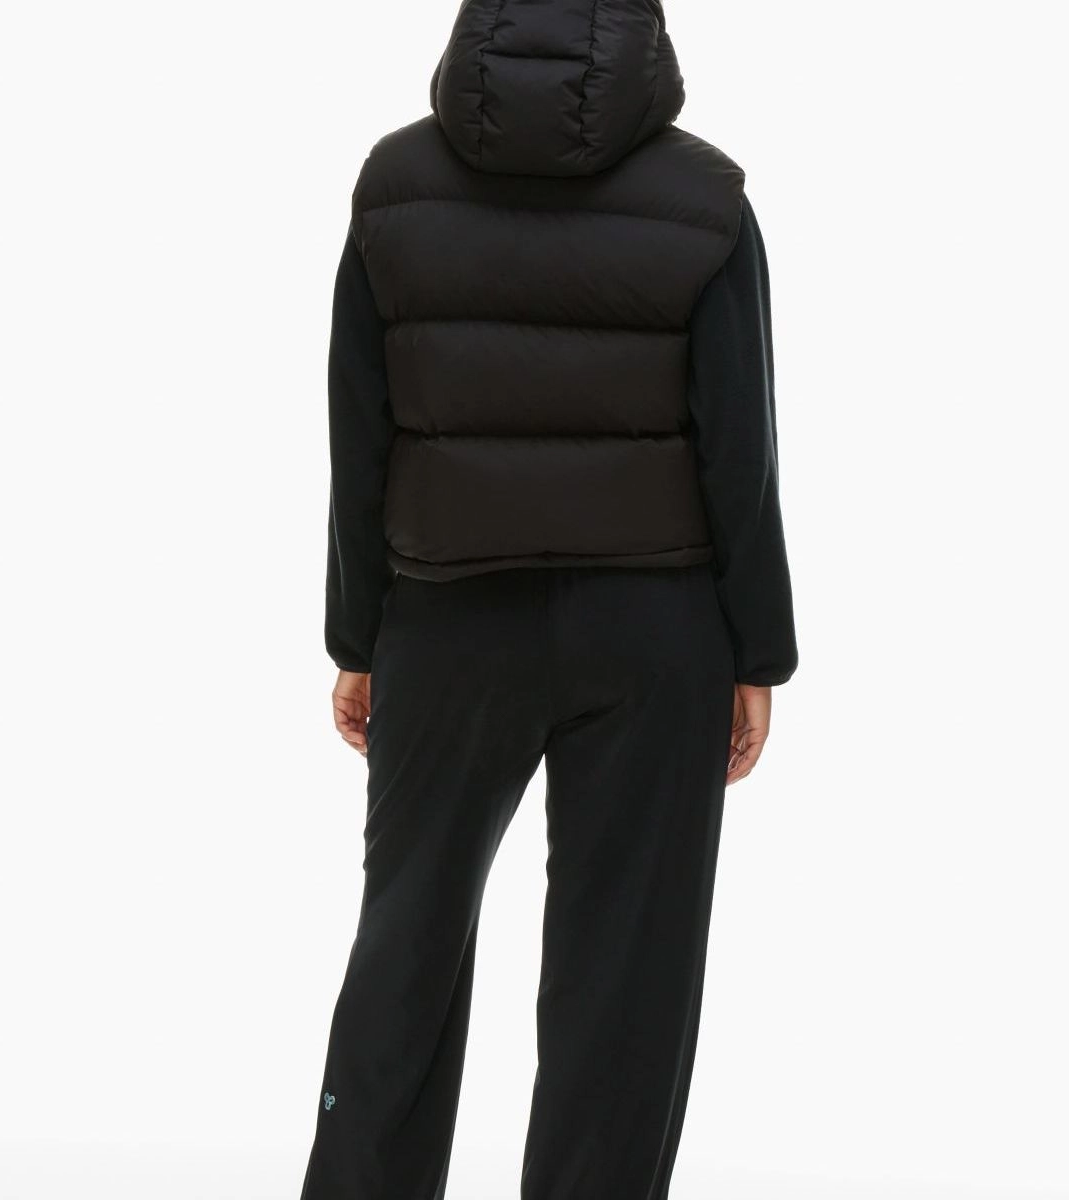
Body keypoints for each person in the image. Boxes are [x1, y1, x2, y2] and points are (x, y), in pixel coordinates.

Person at [301, 2, 797, 1196]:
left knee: (406, 948)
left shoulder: (395, 186)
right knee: (626, 979)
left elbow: (360, 435)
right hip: (655, 631)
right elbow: (740, 451)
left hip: (444, 620)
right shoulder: (706, 200)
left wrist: (358, 636)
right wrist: (758, 653)